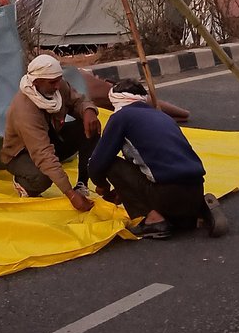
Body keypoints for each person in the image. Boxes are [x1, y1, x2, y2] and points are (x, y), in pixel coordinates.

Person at [87, 80, 227, 240]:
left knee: (112, 164)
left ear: (115, 100)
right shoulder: (162, 116)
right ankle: (197, 213)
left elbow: (96, 164)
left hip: (167, 194)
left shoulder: (121, 117)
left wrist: (103, 186)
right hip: (196, 188)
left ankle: (154, 220)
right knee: (155, 168)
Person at [0, 54, 100, 211]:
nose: (58, 86)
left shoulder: (58, 86)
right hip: (22, 153)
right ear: (37, 82)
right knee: (43, 178)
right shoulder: (25, 111)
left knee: (89, 126)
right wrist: (70, 195)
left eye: (59, 80)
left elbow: (78, 101)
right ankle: (23, 181)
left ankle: (82, 183)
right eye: (53, 82)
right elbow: (43, 154)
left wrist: (88, 110)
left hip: (51, 138)